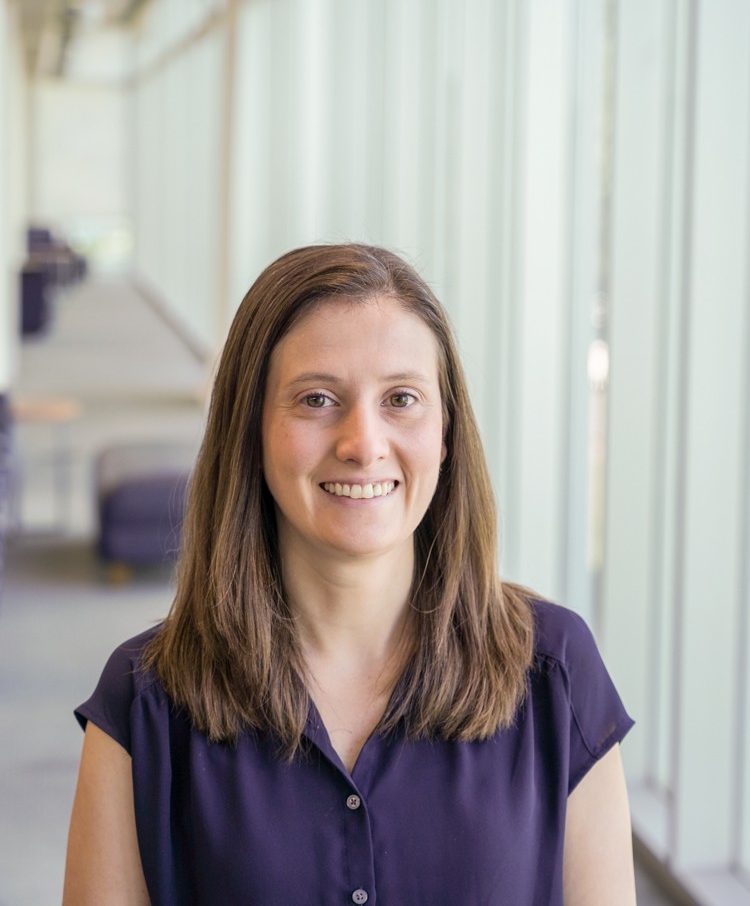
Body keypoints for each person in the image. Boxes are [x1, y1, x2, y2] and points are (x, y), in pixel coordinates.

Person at [63, 243, 636, 906]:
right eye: (315, 399)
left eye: (401, 398)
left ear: (445, 432)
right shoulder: (144, 705)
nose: (362, 443)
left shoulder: (555, 676)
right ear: (249, 429)